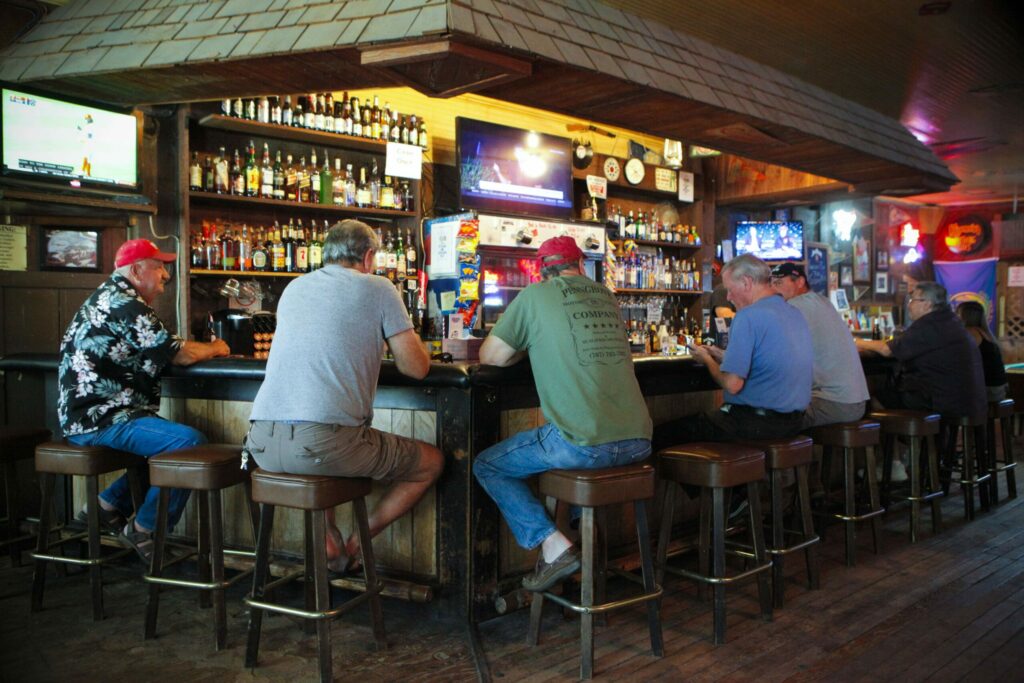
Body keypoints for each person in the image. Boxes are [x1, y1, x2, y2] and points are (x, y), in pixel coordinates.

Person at [245, 220, 443, 573]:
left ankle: (330, 545)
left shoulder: (294, 287)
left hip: (260, 442)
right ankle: (354, 546)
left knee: (322, 459)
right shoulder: (379, 287)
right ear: (368, 257)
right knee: (429, 462)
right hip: (321, 445)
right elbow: (416, 368)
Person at [473, 236, 652, 592]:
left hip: (582, 445)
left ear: (541, 271)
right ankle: (588, 553)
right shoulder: (608, 297)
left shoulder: (534, 296)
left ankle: (555, 546)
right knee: (578, 464)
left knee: (487, 465)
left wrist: (528, 346)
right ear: (581, 265)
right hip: (640, 443)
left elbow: (489, 356)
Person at [59, 239, 231, 562]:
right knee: (188, 444)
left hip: (93, 417)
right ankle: (145, 527)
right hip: (100, 419)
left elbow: (158, 347)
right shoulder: (125, 302)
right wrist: (217, 348)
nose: (166, 274)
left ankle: (106, 507)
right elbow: (177, 354)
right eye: (159, 265)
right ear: (137, 270)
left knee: (161, 449)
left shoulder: (111, 297)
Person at [652, 254, 813, 451]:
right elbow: (769, 361)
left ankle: (712, 480)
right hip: (794, 423)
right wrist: (723, 356)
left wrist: (707, 360)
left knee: (660, 436)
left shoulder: (748, 316)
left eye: (729, 289)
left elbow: (732, 384)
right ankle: (735, 480)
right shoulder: (794, 313)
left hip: (754, 425)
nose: (728, 297)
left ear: (746, 282)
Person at [857, 281, 986, 423]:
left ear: (927, 304)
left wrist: (855, 341)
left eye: (912, 300)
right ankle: (918, 443)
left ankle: (896, 443)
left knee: (873, 399)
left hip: (940, 402)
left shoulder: (930, 324)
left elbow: (887, 349)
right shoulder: (951, 321)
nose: (909, 305)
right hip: (965, 399)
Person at [770, 262, 869, 427]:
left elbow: (773, 350)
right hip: (854, 402)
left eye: (779, 283)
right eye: (771, 284)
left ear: (800, 282)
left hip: (833, 404)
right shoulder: (822, 301)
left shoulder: (794, 306)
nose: (773, 289)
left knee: (770, 421)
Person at [957, 300, 1008, 401]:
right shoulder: (986, 333)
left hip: (989, 390)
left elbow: (958, 358)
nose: (955, 317)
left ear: (965, 316)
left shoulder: (970, 332)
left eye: (958, 313)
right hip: (999, 388)